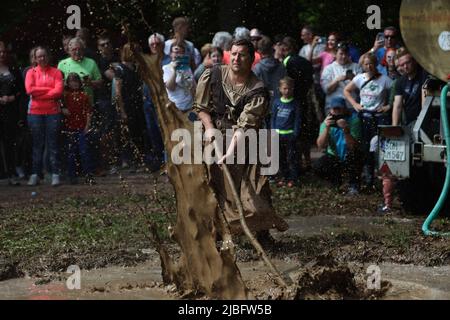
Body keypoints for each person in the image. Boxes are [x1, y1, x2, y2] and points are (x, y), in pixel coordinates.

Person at [194, 38, 288, 238]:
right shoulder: (213, 74)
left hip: (245, 142)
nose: (236, 58)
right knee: (214, 188)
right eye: (234, 54)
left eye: (242, 55)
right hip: (213, 137)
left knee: (254, 192)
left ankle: (262, 234)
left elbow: (245, 126)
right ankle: (216, 236)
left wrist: (229, 152)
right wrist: (210, 129)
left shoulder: (257, 89)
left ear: (251, 58)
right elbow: (201, 108)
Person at [344, 53, 393, 187]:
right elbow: (346, 90)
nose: (369, 66)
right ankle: (368, 177)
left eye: (371, 63)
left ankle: (382, 177)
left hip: (379, 117)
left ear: (375, 64)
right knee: (365, 148)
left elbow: (396, 93)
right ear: (362, 65)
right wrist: (355, 104)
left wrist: (388, 106)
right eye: (366, 64)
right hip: (364, 117)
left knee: (378, 148)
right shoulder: (359, 78)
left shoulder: (384, 79)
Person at [25, 46, 64, 186]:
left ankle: (55, 174)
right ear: (35, 58)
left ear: (48, 56)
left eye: (44, 55)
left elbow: (58, 91)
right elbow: (30, 90)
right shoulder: (30, 72)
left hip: (53, 113)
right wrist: (49, 90)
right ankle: (35, 174)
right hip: (35, 113)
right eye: (39, 56)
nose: (42, 58)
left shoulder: (56, 72)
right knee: (37, 145)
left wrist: (40, 93)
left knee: (53, 144)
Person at [314, 96, 363, 195]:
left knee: (355, 156)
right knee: (318, 165)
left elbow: (353, 146)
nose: (336, 112)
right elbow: (320, 145)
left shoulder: (353, 120)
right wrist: (327, 128)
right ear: (330, 110)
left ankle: (354, 185)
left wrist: (346, 130)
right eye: (334, 109)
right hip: (334, 156)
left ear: (344, 109)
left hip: (350, 154)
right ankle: (335, 182)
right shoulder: (326, 122)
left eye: (339, 109)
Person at [282, 36, 314, 170]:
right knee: (303, 132)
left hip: (291, 101)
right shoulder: (305, 61)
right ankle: (307, 161)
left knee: (293, 132)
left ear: (286, 48)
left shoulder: (287, 61)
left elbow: (285, 81)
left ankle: (295, 163)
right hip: (304, 100)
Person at [62, 73, 95, 185]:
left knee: (84, 151)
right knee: (71, 153)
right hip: (70, 128)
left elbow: (88, 112)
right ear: (68, 83)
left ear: (80, 83)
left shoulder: (84, 95)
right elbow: (58, 103)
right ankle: (72, 176)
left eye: (76, 81)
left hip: (82, 128)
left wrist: (87, 126)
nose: (74, 83)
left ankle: (88, 175)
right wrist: (62, 109)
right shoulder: (65, 96)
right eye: (71, 81)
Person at [0, 41, 25, 185]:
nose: (2, 54)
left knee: (10, 143)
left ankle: (11, 173)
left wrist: (11, 97)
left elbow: (21, 91)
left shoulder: (14, 69)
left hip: (10, 111)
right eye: (0, 52)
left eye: (4, 51)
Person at [271, 77, 300, 187]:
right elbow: (273, 118)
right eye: (285, 88)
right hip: (278, 135)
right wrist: (273, 131)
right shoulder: (276, 103)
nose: (287, 91)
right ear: (280, 89)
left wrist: (295, 133)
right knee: (280, 157)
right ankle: (283, 176)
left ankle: (293, 178)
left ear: (293, 89)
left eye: (289, 89)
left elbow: (297, 119)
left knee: (291, 157)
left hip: (290, 135)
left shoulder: (295, 103)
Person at [321, 42, 361, 111]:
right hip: (333, 108)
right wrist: (337, 80)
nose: (344, 56)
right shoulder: (328, 69)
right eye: (341, 54)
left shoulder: (356, 67)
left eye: (346, 54)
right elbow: (326, 90)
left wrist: (354, 80)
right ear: (335, 54)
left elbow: (362, 90)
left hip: (352, 107)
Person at [163, 41, 196, 112]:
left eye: (180, 52)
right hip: (176, 109)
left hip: (190, 106)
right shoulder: (166, 68)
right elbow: (170, 87)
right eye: (175, 52)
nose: (177, 54)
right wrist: (174, 71)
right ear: (171, 54)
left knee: (197, 123)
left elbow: (193, 87)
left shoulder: (187, 68)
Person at [253, 35, 286, 106]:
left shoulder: (257, 68)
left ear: (259, 51)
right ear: (272, 49)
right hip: (279, 104)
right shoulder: (281, 66)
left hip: (262, 105)